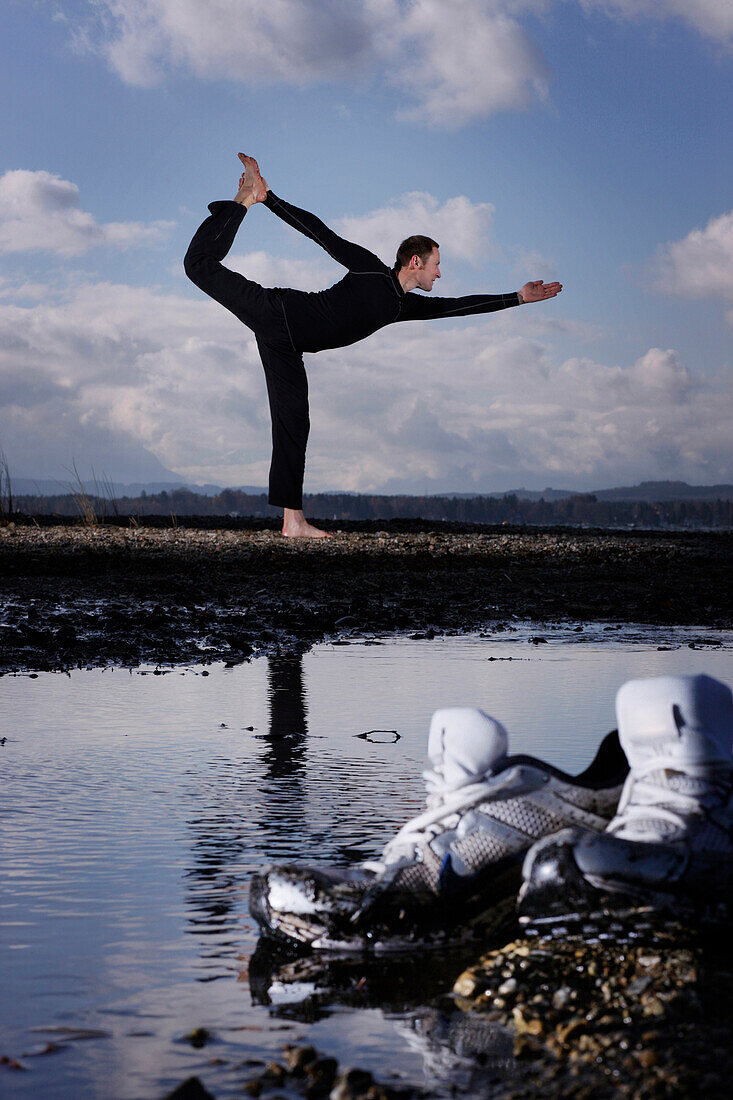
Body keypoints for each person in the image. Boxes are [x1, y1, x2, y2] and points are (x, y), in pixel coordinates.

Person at [184, 155, 562, 538]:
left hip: (287, 347)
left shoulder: (403, 305)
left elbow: (456, 308)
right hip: (278, 312)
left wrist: (517, 297)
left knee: (294, 421)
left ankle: (292, 521)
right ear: (416, 261)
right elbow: (321, 234)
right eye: (436, 265)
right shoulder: (370, 269)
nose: (440, 273)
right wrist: (271, 200)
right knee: (198, 264)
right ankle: (244, 200)